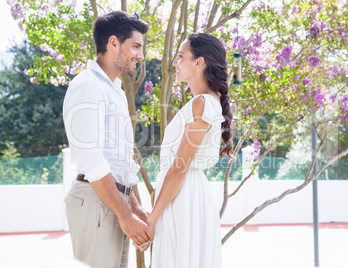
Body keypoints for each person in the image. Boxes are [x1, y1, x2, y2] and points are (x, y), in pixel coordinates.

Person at [62, 11, 153, 268]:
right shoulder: (87, 85)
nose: (141, 55)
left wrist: (133, 207)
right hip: (96, 201)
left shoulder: (113, 88)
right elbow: (91, 159)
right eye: (135, 46)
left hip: (112, 201)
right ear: (113, 43)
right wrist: (124, 214)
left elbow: (117, 158)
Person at [146, 33, 234, 268]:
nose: (175, 62)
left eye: (181, 56)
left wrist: (151, 220)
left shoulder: (202, 103)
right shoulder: (207, 101)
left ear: (199, 62)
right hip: (187, 196)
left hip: (182, 198)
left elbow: (179, 168)